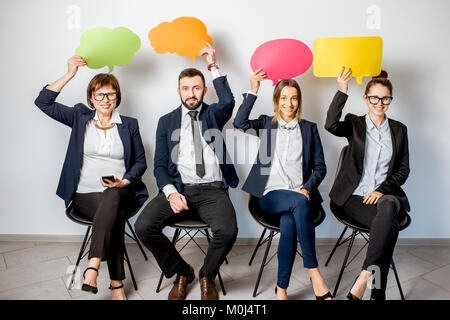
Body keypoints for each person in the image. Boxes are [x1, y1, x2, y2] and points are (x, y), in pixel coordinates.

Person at [34, 56, 148, 300]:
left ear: (118, 97)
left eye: (111, 94)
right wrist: (70, 73)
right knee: (113, 213)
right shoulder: (79, 118)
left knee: (113, 196)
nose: (105, 100)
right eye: (100, 95)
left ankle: (92, 265)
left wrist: (124, 181)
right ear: (91, 99)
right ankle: (116, 285)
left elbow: (140, 162)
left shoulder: (129, 124)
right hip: (84, 195)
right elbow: (43, 102)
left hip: (123, 191)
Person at [134, 42, 238, 300]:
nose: (191, 93)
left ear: (203, 90)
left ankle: (207, 275)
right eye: (186, 88)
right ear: (178, 91)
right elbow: (159, 165)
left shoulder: (214, 114)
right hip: (180, 189)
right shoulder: (166, 121)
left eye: (196, 88)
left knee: (228, 230)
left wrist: (212, 64)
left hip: (213, 190)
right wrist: (170, 193)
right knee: (144, 226)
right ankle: (182, 271)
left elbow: (229, 100)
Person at [233, 69, 332, 300]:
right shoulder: (267, 124)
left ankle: (281, 289)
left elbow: (320, 167)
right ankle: (314, 272)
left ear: (299, 101)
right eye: (284, 97)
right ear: (277, 100)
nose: (289, 103)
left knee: (289, 224)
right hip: (269, 195)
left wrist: (307, 187)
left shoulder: (309, 128)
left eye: (294, 97)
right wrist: (253, 89)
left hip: (299, 194)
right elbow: (239, 123)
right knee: (298, 202)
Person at [325, 67, 410, 300]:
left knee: (389, 204)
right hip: (352, 198)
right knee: (389, 225)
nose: (379, 103)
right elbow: (330, 124)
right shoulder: (355, 124)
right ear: (365, 98)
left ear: (390, 99)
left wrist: (381, 190)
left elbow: (404, 170)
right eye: (374, 98)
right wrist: (342, 90)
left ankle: (363, 277)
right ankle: (377, 292)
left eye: (385, 98)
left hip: (383, 198)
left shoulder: (399, 130)